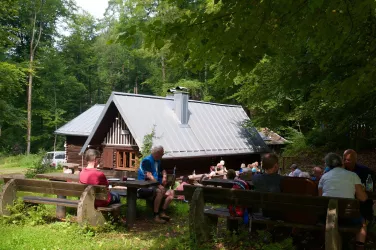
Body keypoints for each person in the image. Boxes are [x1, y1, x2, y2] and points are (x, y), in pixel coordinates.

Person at [318, 153, 368, 249]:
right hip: (348, 216)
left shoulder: (324, 177)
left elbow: (320, 198)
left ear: (328, 165)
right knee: (362, 225)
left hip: (327, 217)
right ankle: (359, 247)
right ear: (341, 163)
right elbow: (363, 198)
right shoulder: (352, 175)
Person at [137, 145, 174, 224]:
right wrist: (159, 185)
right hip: (144, 187)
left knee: (171, 192)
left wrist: (164, 176)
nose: (162, 155)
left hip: (153, 185)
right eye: (162, 154)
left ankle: (162, 212)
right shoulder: (147, 161)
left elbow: (163, 169)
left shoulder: (158, 161)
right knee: (160, 191)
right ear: (157, 153)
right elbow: (149, 176)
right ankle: (156, 216)